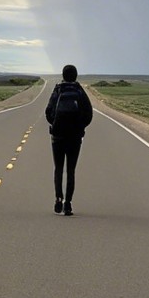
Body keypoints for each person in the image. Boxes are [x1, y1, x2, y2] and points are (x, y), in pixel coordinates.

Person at [44, 64, 93, 216]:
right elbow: (89, 113)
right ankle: (68, 205)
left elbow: (48, 111)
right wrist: (79, 127)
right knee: (71, 170)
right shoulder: (79, 90)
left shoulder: (58, 90)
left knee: (58, 169)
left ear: (63, 75)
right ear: (75, 75)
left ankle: (58, 199)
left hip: (58, 136)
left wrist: (55, 124)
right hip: (75, 137)